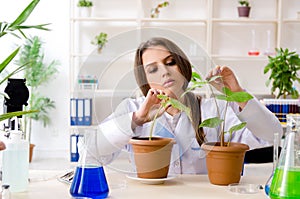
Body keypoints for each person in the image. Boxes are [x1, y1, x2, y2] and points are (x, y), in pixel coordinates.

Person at [92, 37, 283, 174]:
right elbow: (93, 151)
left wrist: (238, 94)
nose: (165, 72)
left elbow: (272, 136)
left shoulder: (212, 109)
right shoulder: (132, 110)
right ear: (145, 80)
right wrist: (137, 120)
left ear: (183, 66)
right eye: (153, 69)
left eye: (171, 62)